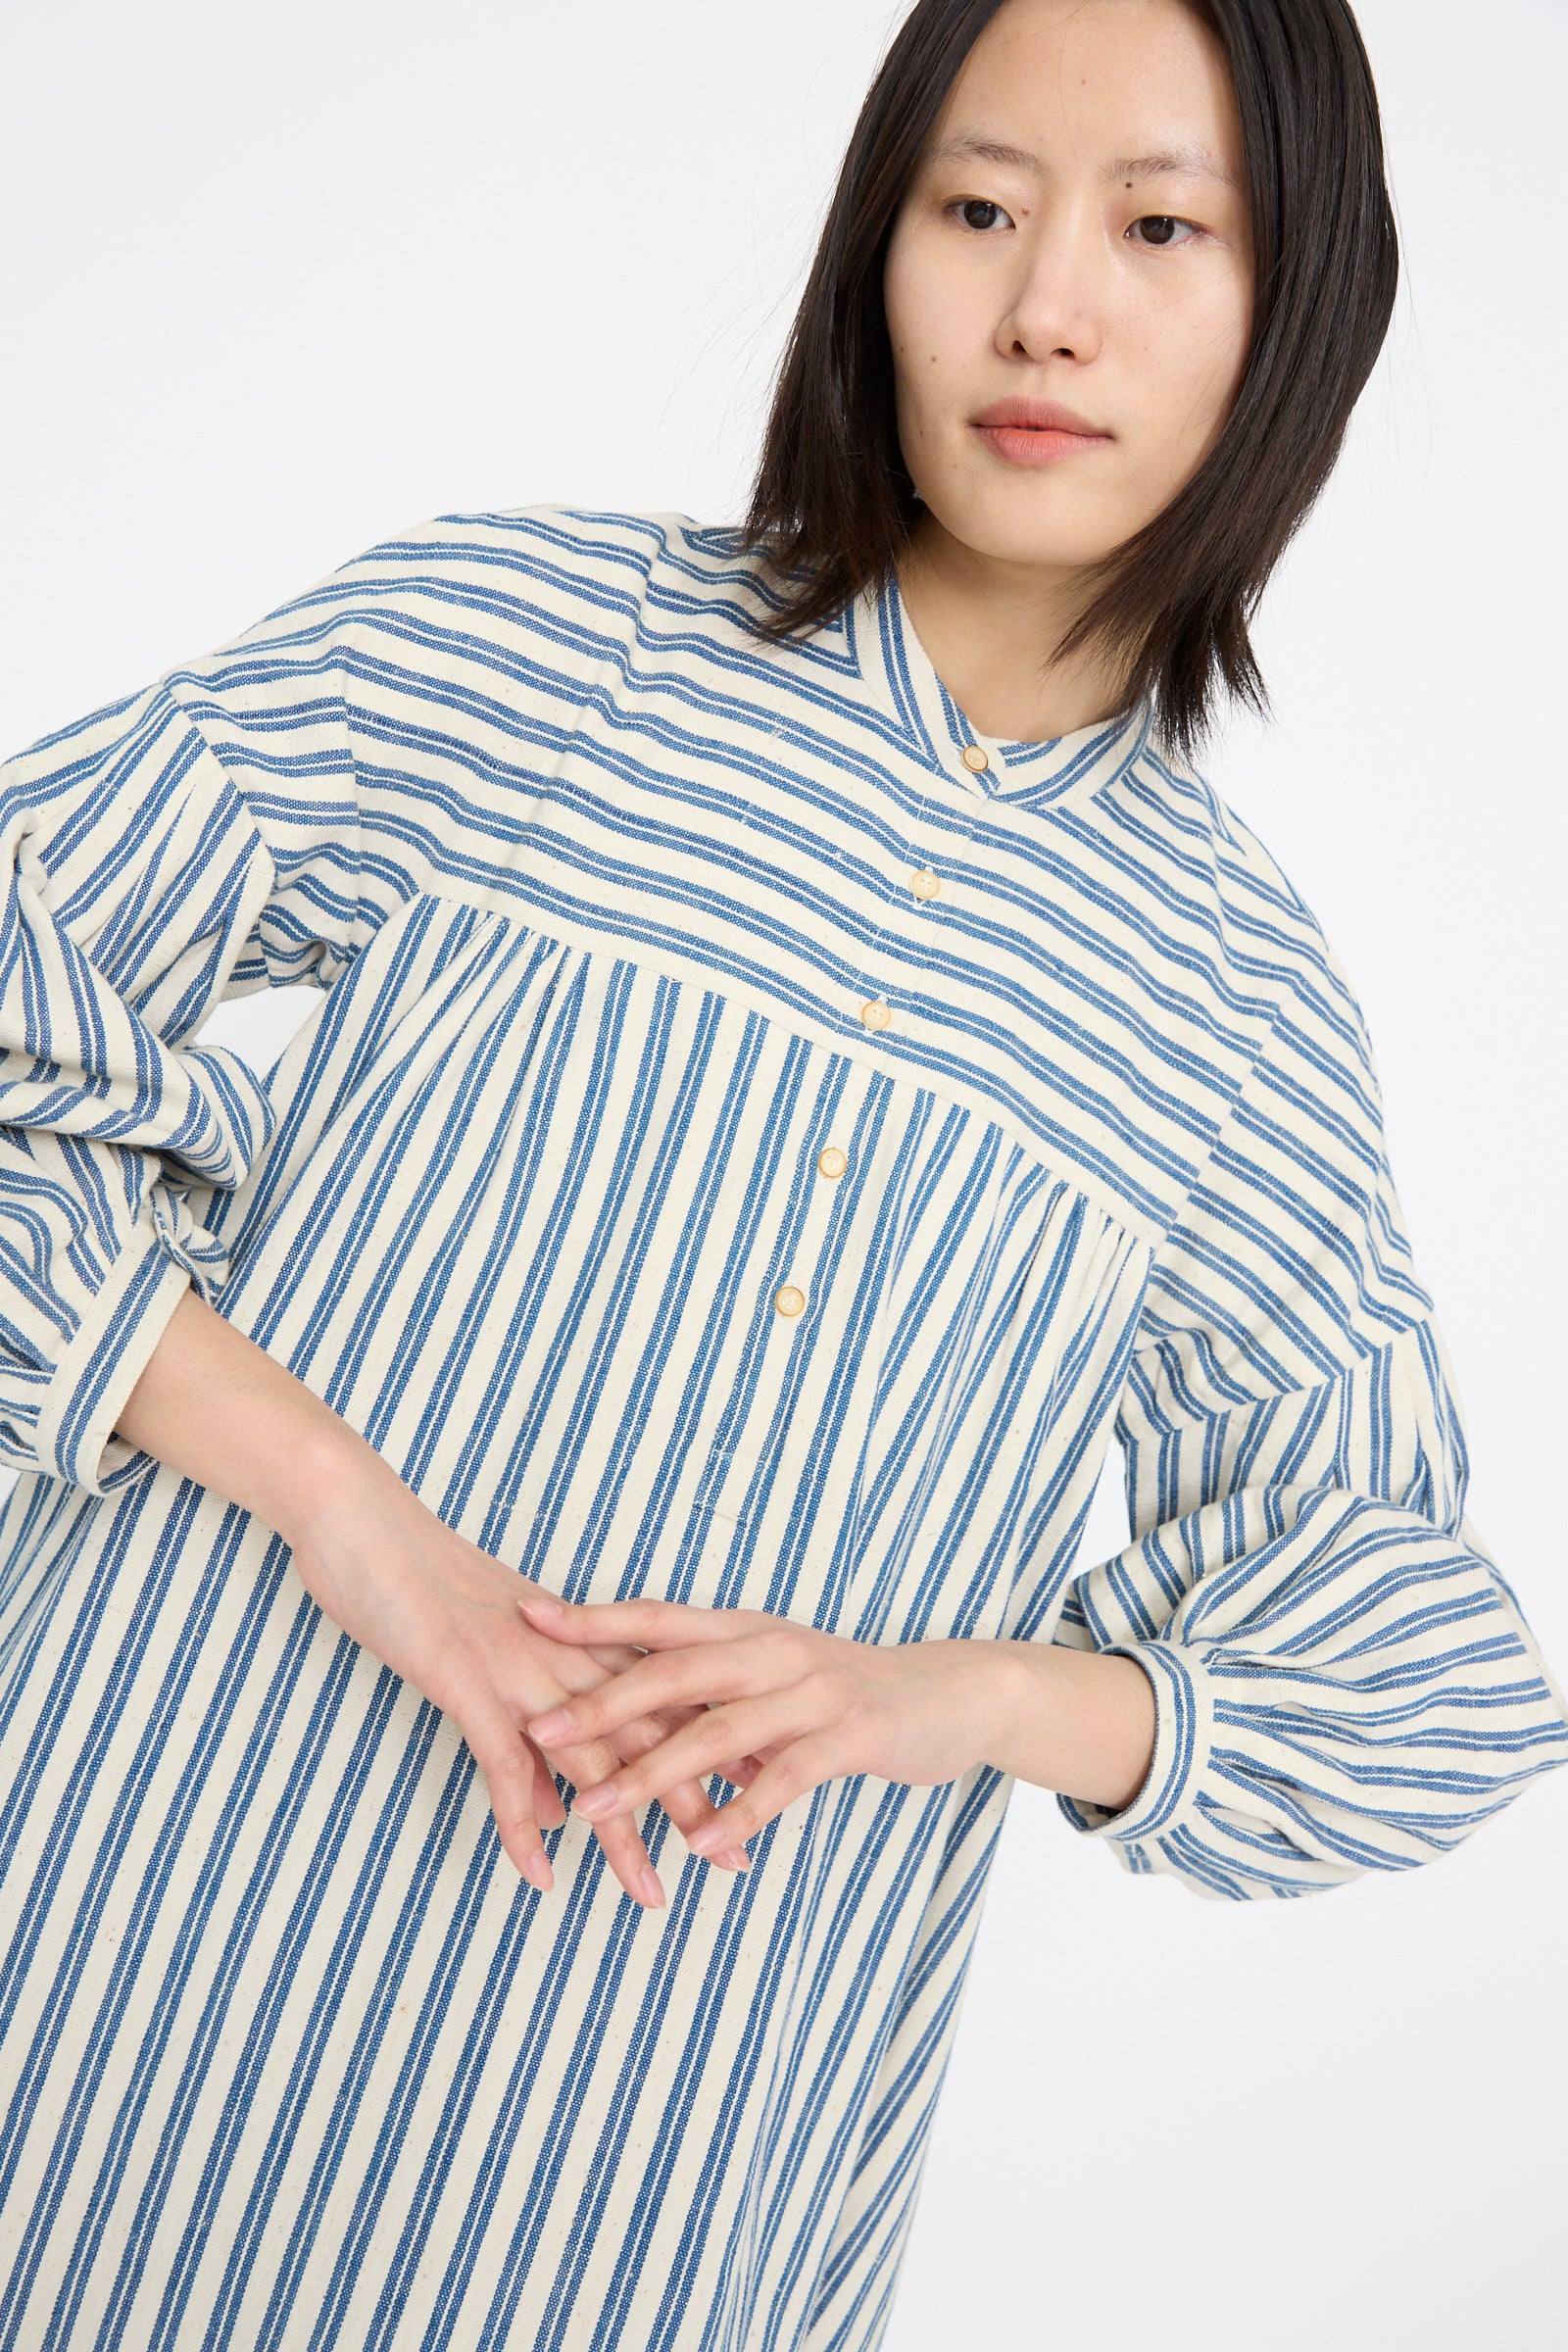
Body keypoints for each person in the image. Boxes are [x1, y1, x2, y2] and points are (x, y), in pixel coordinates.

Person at [1, 0, 1563, 2343]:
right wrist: (337, 1498)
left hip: (635, 2184)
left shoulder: (1237, 1010)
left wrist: (950, 1698)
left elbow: (1424, 1681)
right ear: (876, 251)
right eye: (971, 206)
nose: (1045, 302)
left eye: (1157, 225)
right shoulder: (524, 649)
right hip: (97, 1973)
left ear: (1294, 299)